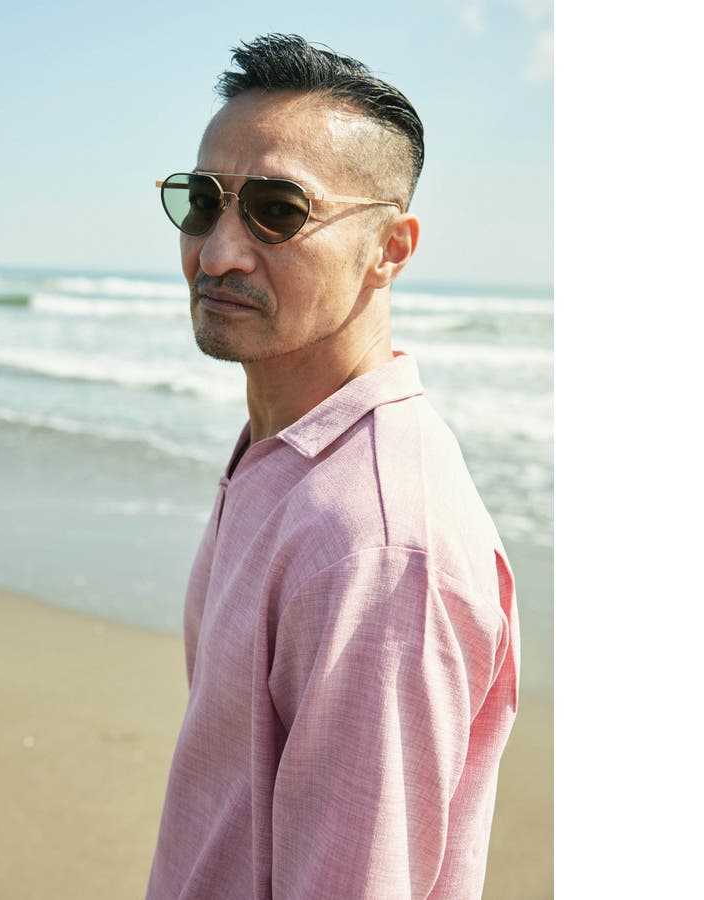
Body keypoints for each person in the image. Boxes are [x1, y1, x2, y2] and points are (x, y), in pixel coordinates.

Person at [147, 34, 519, 900]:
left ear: (391, 247)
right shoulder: (290, 452)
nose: (218, 252)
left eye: (277, 210)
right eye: (202, 201)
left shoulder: (376, 551)